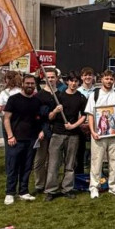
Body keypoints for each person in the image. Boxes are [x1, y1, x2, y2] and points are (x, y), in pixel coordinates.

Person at [2, 74, 44, 205]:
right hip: (15, 139)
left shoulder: (37, 101)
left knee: (27, 167)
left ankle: (23, 191)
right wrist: (10, 136)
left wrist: (41, 132)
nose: (30, 86)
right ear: (23, 84)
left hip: (31, 139)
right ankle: (10, 192)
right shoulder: (13, 99)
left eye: (32, 84)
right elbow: (6, 119)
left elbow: (39, 119)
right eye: (28, 83)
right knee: (13, 166)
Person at [45, 72, 87, 200]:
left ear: (79, 83)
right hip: (57, 133)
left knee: (70, 164)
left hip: (73, 135)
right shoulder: (58, 96)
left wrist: (74, 126)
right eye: (71, 81)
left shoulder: (81, 97)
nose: (74, 84)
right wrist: (55, 111)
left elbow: (85, 115)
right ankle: (51, 190)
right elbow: (49, 117)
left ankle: (67, 188)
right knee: (53, 164)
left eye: (76, 81)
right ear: (67, 82)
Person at [85, 70, 115, 199]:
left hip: (114, 133)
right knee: (96, 160)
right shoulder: (95, 95)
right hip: (99, 134)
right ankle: (94, 187)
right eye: (106, 79)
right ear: (101, 79)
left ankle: (113, 185)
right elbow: (90, 114)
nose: (109, 81)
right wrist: (92, 131)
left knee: (114, 160)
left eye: (111, 79)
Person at [32, 69, 58, 193]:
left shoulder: (60, 94)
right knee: (40, 160)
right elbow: (38, 116)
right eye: (48, 77)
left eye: (53, 77)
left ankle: (50, 183)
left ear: (57, 78)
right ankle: (39, 184)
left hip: (57, 130)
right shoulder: (40, 96)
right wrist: (40, 130)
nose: (51, 79)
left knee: (53, 160)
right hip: (44, 130)